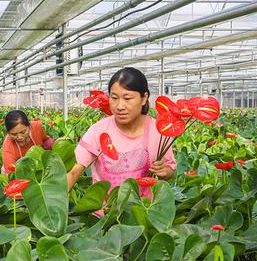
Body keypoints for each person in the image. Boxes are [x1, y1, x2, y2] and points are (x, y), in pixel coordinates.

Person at [67, 67, 176, 196]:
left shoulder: (158, 131)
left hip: (141, 212)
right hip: (104, 212)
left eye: (127, 98)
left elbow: (170, 171)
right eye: (114, 98)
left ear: (144, 98)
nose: (120, 106)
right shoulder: (99, 130)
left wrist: (165, 172)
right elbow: (74, 171)